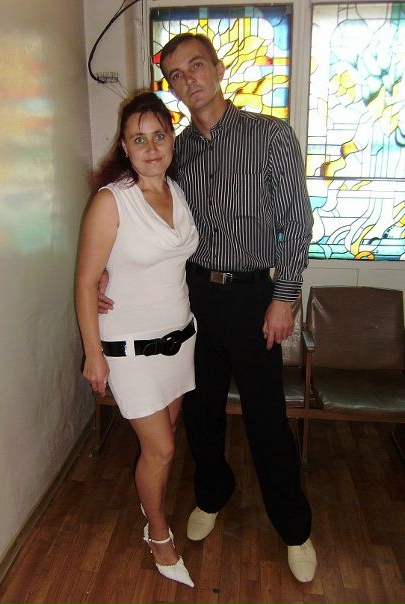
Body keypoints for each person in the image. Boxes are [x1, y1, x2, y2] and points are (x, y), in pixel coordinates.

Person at [100, 33, 317, 583]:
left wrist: (284, 296)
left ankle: (294, 527)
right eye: (175, 74)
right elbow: (138, 211)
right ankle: (212, 494)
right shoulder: (175, 151)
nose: (188, 79)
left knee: (266, 416)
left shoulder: (270, 135)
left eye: (196, 65)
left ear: (218, 68)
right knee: (202, 413)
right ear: (171, 86)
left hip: (253, 297)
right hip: (192, 295)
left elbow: (297, 220)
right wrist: (104, 269)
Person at [76, 91, 198, 588]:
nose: (151, 147)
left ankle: (154, 505)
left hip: (181, 340)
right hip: (129, 348)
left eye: (159, 136)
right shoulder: (112, 201)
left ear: (172, 140)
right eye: (139, 139)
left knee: (165, 441)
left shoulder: (177, 191)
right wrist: (93, 355)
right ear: (124, 147)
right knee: (162, 450)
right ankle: (159, 533)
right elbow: (86, 280)